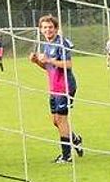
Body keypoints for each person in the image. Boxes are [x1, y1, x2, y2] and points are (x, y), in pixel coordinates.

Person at [29, 15, 83, 163]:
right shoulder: (46, 45)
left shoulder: (61, 43)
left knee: (61, 120)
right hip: (54, 87)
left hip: (65, 86)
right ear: (41, 30)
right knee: (56, 121)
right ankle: (75, 139)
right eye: (45, 27)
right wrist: (36, 61)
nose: (48, 30)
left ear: (56, 28)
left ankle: (66, 156)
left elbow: (68, 64)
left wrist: (49, 60)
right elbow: (48, 67)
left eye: (50, 27)